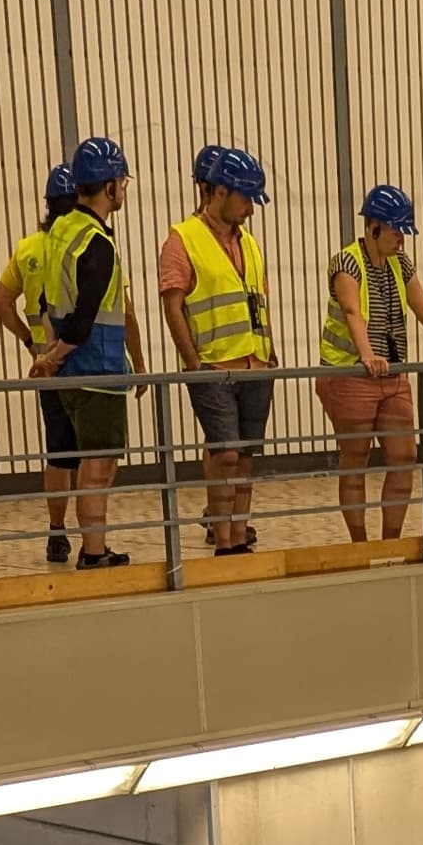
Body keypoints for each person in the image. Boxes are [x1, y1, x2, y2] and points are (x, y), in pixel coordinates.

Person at [318, 185, 423, 542]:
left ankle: (391, 541)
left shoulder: (399, 263)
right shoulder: (346, 263)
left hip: (392, 372)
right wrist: (366, 355)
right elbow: (352, 312)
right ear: (374, 227)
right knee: (355, 458)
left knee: (404, 456)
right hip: (350, 373)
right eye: (396, 231)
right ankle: (359, 545)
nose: (401, 239)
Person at [27, 135, 137, 570]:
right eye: (121, 182)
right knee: (98, 466)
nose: (122, 189)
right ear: (109, 186)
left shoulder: (60, 232)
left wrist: (50, 355)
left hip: (71, 373)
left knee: (89, 463)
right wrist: (53, 356)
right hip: (98, 371)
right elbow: (84, 320)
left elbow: (49, 304)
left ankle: (94, 546)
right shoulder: (97, 243)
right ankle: (94, 550)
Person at [159, 145, 273, 556]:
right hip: (213, 365)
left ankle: (239, 534)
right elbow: (173, 305)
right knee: (226, 454)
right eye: (246, 199)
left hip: (255, 364)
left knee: (245, 457)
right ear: (220, 192)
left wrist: (270, 354)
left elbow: (257, 300)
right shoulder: (182, 240)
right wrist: (193, 362)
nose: (251, 209)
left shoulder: (250, 243)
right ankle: (223, 538)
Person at [0, 161, 78, 566]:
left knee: (58, 451)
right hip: (88, 364)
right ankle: (95, 539)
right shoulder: (88, 244)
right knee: (94, 455)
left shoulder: (28, 249)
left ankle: (57, 532)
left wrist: (30, 342)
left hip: (47, 369)